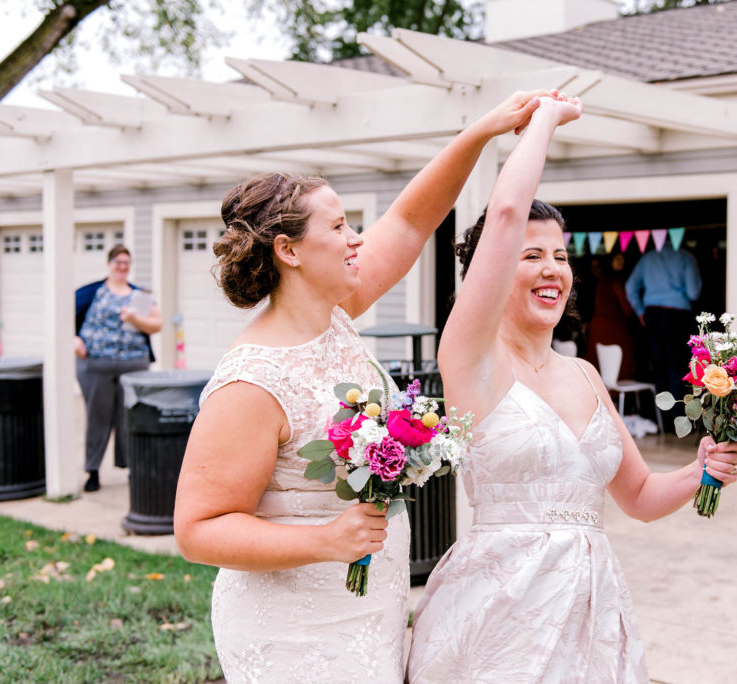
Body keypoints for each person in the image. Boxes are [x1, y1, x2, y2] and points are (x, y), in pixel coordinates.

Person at [171, 91, 551, 683]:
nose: (357, 239)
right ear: (289, 250)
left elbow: (410, 219)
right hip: (293, 629)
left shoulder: (338, 313)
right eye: (341, 225)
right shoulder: (253, 380)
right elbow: (198, 530)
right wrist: (326, 539)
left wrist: (481, 134)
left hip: (370, 612)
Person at [407, 95, 737, 681]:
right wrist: (544, 121)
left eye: (560, 256)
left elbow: (638, 497)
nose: (552, 269)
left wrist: (705, 471)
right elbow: (507, 211)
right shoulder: (470, 359)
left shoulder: (585, 374)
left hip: (590, 611)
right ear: (488, 271)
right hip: (499, 607)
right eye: (530, 255)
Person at [74, 244, 161, 492]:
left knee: (129, 418)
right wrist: (75, 340)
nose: (122, 267)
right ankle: (92, 471)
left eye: (126, 263)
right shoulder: (92, 292)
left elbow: (156, 324)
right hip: (96, 365)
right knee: (97, 417)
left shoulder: (139, 295)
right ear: (109, 264)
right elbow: (64, 318)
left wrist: (134, 318)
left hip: (133, 364)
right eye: (118, 263)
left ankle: (132, 468)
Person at [624, 240, 702, 425]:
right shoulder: (685, 256)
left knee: (658, 365)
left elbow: (630, 287)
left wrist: (640, 311)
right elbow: (693, 293)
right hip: (677, 314)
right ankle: (679, 417)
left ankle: (662, 419)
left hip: (652, 314)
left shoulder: (648, 257)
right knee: (678, 366)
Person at [586, 253, 637, 379]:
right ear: (610, 261)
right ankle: (618, 395)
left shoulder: (602, 279)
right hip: (612, 326)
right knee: (622, 359)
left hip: (598, 326)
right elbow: (626, 307)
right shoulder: (615, 280)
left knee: (600, 364)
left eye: (623, 259)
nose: (622, 262)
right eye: (618, 258)